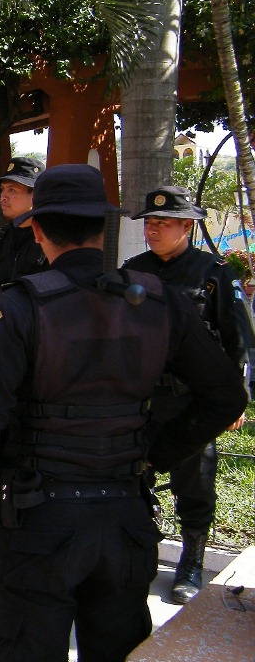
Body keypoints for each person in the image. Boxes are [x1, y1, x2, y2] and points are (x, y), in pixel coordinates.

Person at [0, 164, 248, 662]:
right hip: (125, 516)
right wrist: (152, 456)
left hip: (37, 521)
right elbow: (226, 397)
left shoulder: (22, 306)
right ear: (102, 227)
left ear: (38, 228)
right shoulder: (159, 301)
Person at [122, 185, 252, 604]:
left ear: (186, 226)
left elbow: (236, 339)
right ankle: (138, 554)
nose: (154, 230)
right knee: (131, 476)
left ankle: (191, 562)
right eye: (150, 223)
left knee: (193, 483)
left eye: (164, 223)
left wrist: (235, 395)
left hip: (189, 400)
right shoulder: (133, 270)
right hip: (139, 397)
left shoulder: (212, 273)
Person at [0, 157, 48, 291]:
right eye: (2, 189)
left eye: (12, 190)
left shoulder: (51, 239)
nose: (3, 196)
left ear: (36, 194)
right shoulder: (0, 237)